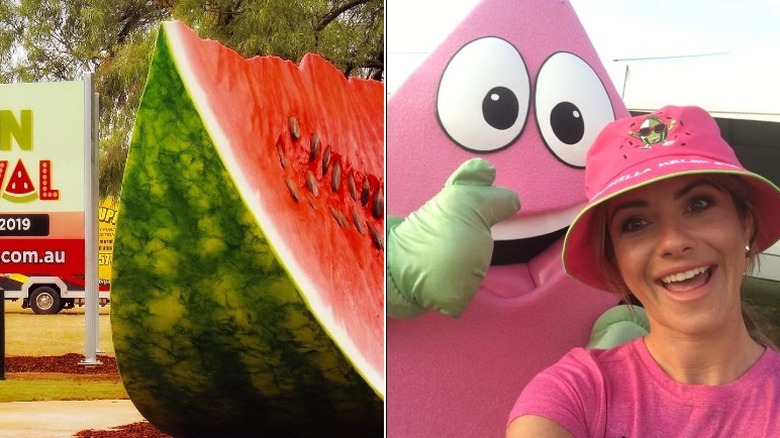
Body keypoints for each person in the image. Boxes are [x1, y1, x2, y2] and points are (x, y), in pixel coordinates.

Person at [506, 105, 780, 437]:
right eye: (635, 223)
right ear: (615, 261)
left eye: (698, 204)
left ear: (745, 224)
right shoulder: (574, 396)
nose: (674, 242)